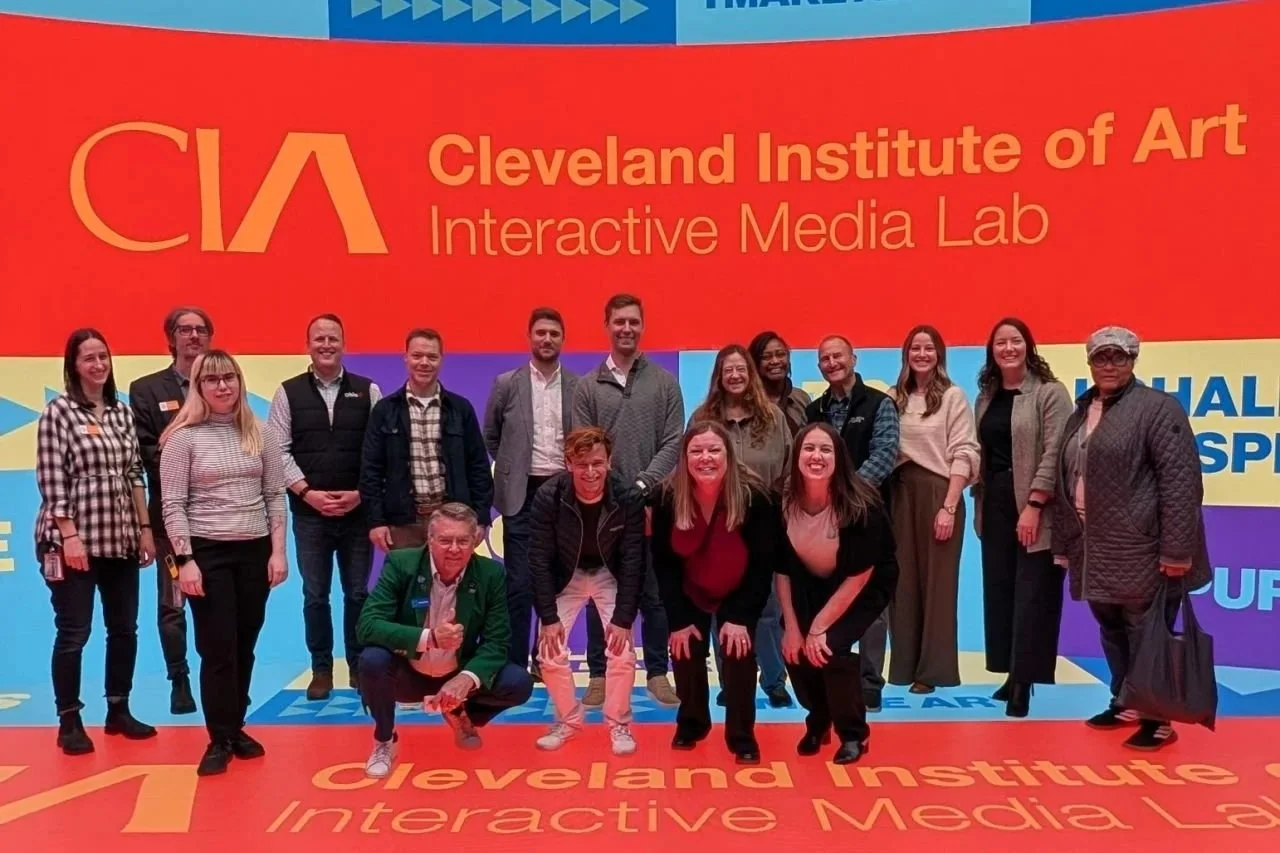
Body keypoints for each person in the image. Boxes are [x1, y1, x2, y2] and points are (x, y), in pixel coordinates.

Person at [1053, 326, 1210, 751]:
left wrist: (1177, 550)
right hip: (1093, 542)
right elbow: (1065, 478)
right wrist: (1064, 543)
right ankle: (1126, 700)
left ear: (1133, 361)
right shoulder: (1082, 410)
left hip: (1143, 545)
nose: (1108, 364)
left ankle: (1157, 718)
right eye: (1101, 357)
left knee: (1147, 631)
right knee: (1111, 626)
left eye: (1118, 357)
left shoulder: (1158, 410)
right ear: (1089, 362)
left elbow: (1181, 484)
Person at [160, 350, 288, 776]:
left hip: (254, 552)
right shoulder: (182, 439)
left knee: (244, 646)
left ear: (239, 382)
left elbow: (275, 496)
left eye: (229, 378)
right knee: (217, 649)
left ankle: (236, 728)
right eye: (212, 379)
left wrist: (278, 552)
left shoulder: (261, 433)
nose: (222, 386)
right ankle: (218, 739)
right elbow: (173, 504)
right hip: (206, 554)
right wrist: (186, 560)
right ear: (198, 386)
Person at [35, 328, 157, 755]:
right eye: (89, 358)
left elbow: (133, 475)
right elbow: (52, 479)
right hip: (73, 540)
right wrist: (69, 536)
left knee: (124, 629)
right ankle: (69, 718)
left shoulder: (123, 413)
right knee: (74, 632)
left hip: (120, 537)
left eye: (103, 356)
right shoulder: (59, 412)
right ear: (74, 366)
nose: (98, 365)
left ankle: (118, 710)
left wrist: (145, 529)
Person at [356, 503, 535, 779]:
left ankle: (460, 712)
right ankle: (384, 740)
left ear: (476, 540)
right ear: (429, 540)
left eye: (463, 540)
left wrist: (466, 678)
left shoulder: (491, 574)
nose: (454, 549)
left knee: (519, 683)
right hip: (408, 673)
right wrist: (429, 638)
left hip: (455, 671)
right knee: (372, 659)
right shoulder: (401, 564)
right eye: (445, 540)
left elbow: (497, 641)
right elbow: (367, 626)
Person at [573, 293, 681, 707]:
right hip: (602, 510)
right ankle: (599, 675)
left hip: (654, 505)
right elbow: (585, 445)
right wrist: (614, 493)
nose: (627, 328)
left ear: (642, 325)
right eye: (619, 321)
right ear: (607, 325)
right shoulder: (587, 386)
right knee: (601, 594)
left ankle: (657, 672)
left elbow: (674, 441)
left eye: (634, 321)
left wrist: (642, 486)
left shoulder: (664, 383)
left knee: (655, 594)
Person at [267, 313, 381, 699]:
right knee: (315, 595)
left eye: (333, 338)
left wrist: (361, 494)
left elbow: (377, 452)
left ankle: (358, 666)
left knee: (357, 594)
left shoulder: (369, 391)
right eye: (319, 339)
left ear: (344, 344)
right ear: (308, 345)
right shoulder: (288, 392)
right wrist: (306, 492)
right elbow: (277, 450)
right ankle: (321, 670)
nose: (326, 345)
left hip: (357, 511)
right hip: (309, 514)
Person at [651, 422, 778, 765]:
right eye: (696, 451)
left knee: (739, 655)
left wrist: (739, 618)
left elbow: (762, 566)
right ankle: (692, 723)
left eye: (713, 450)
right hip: (690, 586)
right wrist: (678, 619)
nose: (705, 458)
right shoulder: (665, 497)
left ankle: (742, 734)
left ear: (728, 455)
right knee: (685, 649)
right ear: (684, 457)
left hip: (739, 588)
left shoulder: (757, 497)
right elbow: (664, 565)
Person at [776, 423, 898, 765]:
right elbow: (782, 568)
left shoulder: (862, 503)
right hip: (808, 580)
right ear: (797, 456)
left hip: (864, 583)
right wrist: (793, 627)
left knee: (831, 648)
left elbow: (859, 577)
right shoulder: (782, 500)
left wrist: (819, 627)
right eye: (809, 449)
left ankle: (854, 735)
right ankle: (818, 720)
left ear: (838, 457)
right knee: (795, 653)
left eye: (825, 450)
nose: (817, 456)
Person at [973, 318, 1071, 717]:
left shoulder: (1049, 393)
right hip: (993, 500)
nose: (1008, 348)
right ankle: (1009, 671)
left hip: (1034, 504)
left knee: (1033, 593)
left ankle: (1024, 682)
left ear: (1028, 347)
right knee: (1000, 590)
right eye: (1001, 342)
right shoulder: (987, 395)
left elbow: (1056, 450)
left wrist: (1034, 502)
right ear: (991, 351)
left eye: (1015, 341)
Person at [528, 427, 645, 755]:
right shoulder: (548, 496)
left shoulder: (627, 496)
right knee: (548, 650)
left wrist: (623, 619)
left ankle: (619, 723)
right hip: (567, 575)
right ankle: (567, 720)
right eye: (582, 464)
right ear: (568, 464)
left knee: (621, 650)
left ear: (609, 461)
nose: (591, 472)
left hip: (611, 573)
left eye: (598, 463)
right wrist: (548, 618)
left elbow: (634, 560)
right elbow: (538, 559)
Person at [691, 343, 793, 708]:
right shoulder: (703, 418)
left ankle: (774, 679)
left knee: (766, 607)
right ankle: (731, 678)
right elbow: (690, 470)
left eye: (741, 369)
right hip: (717, 528)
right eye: (727, 370)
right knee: (721, 607)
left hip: (764, 525)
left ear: (750, 374)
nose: (735, 376)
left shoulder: (773, 418)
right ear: (718, 376)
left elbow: (787, 471)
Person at [805, 335, 900, 711]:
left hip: (868, 518)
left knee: (871, 606)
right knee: (827, 599)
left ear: (853, 359)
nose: (832, 363)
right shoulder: (813, 412)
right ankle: (831, 674)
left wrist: (846, 496)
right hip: (822, 522)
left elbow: (885, 454)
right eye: (824, 358)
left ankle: (870, 680)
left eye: (838, 356)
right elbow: (805, 459)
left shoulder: (880, 404)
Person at [885, 326, 980, 694]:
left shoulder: (953, 397)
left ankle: (933, 670)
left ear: (939, 354)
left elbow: (965, 451)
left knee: (937, 585)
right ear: (906, 354)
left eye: (929, 348)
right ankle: (904, 665)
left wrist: (950, 506)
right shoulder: (894, 398)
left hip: (939, 491)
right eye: (915, 348)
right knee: (903, 583)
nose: (922, 354)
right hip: (900, 492)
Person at [129, 305, 214, 714]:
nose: (193, 336)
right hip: (168, 516)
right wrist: (183, 443)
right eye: (185, 329)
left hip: (219, 516)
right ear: (172, 338)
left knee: (218, 603)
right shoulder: (146, 389)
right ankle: (179, 680)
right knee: (172, 601)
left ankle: (220, 677)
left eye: (200, 330)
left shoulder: (222, 382)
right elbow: (144, 451)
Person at [484, 307, 578, 674]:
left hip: (562, 492)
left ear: (563, 339)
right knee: (519, 581)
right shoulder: (507, 383)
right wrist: (512, 466)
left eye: (554, 333)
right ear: (530, 337)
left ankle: (547, 659)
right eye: (541, 332)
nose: (547, 339)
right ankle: (514, 664)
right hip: (520, 492)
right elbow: (492, 435)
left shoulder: (578, 385)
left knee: (556, 582)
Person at [360, 328, 493, 551]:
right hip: (402, 524)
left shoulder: (460, 409)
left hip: (454, 520)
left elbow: (478, 466)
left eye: (432, 357)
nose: (424, 363)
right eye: (417, 356)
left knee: (454, 585)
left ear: (441, 360)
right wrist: (376, 521)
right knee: (406, 586)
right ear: (405, 358)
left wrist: (481, 517)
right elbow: (370, 470)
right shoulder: (385, 410)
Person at [748, 331, 811, 438]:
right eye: (766, 357)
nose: (775, 361)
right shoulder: (746, 401)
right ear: (754, 363)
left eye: (780, 354)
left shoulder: (801, 398)